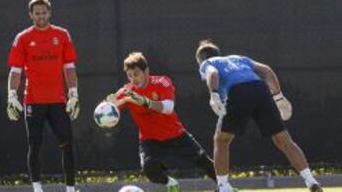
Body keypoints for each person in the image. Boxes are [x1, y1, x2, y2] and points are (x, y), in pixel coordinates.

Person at [194, 39, 323, 192]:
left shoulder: (207, 63)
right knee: (284, 140)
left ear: (200, 59)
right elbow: (267, 71)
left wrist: (213, 94)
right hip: (261, 89)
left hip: (237, 93)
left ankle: (223, 187)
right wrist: (278, 96)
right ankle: (311, 181)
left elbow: (213, 73)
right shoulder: (238, 58)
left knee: (221, 140)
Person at [105, 52, 217, 192]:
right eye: (129, 75)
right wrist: (108, 106)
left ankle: (226, 187)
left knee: (204, 162)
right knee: (149, 170)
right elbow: (110, 110)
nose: (133, 79)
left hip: (176, 134)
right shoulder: (126, 91)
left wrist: (144, 102)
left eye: (136, 73)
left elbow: (169, 108)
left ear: (146, 71)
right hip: (150, 140)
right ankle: (171, 184)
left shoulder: (162, 82)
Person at [6, 0, 80, 192]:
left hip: (58, 101)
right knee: (35, 146)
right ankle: (37, 189)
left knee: (67, 144)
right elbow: (15, 70)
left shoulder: (63, 35)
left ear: (50, 12)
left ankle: (71, 189)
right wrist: (11, 95)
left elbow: (69, 66)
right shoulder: (22, 38)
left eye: (44, 12)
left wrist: (74, 93)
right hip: (33, 101)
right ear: (31, 14)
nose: (40, 16)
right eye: (36, 13)